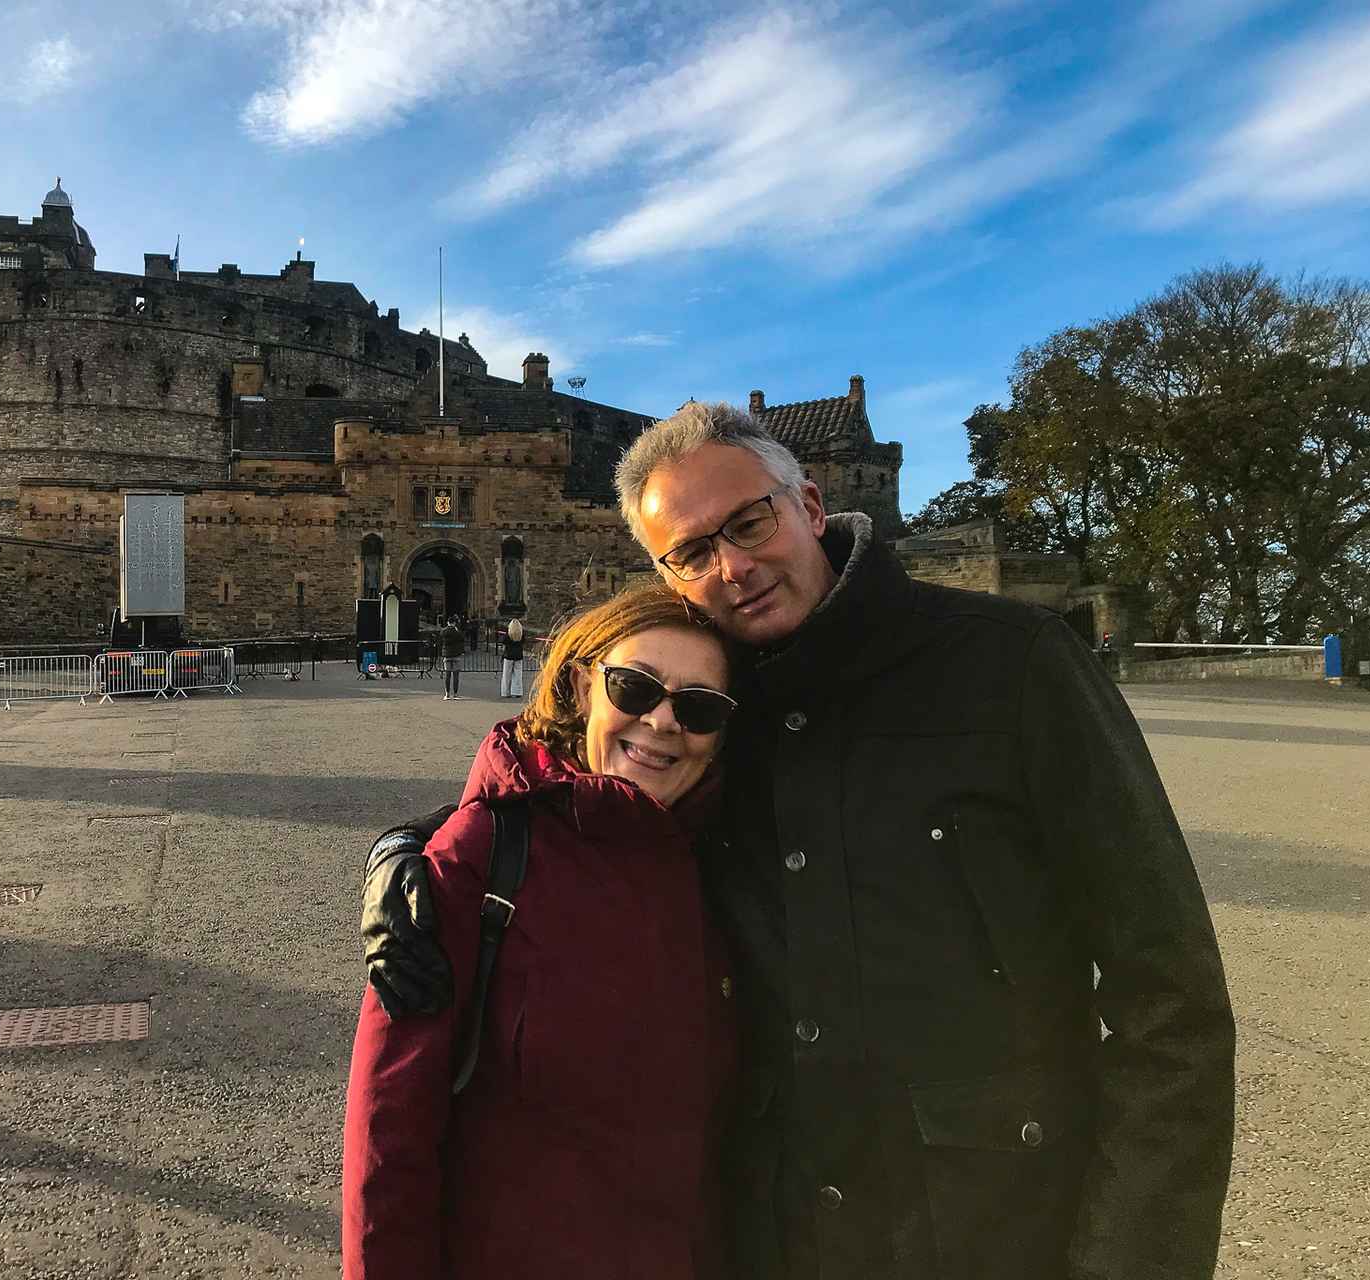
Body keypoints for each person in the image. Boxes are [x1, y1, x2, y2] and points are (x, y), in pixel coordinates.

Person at [361, 401, 1235, 1280]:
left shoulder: (1012, 664)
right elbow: (576, 783)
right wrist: (419, 849)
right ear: (665, 574)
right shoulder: (708, 704)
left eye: (750, 522)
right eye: (691, 553)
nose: (734, 566)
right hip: (770, 1241)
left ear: (811, 505)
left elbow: (1171, 1000)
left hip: (994, 1234)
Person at [344, 585, 742, 1279]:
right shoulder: (484, 853)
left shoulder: (731, 857)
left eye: (699, 706)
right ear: (584, 688)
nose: (661, 721)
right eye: (634, 686)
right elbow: (388, 1130)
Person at [498, 618, 526, 699]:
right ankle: (517, 691)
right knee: (518, 675)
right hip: (518, 656)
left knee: (506, 675)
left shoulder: (508, 635)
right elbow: (523, 642)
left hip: (508, 656)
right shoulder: (521, 635)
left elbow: (503, 641)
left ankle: (505, 692)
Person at [438, 615, 464, 701]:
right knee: (456, 675)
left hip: (447, 655)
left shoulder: (443, 631)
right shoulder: (457, 631)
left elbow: (440, 640)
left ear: (447, 622)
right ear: (454, 623)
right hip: (456, 655)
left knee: (447, 675)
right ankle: (455, 694)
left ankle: (447, 694)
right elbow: (462, 638)